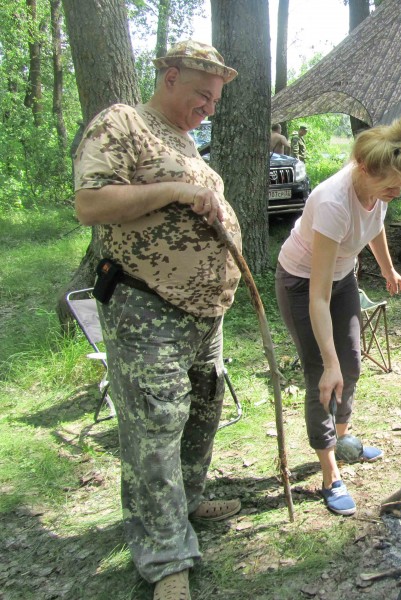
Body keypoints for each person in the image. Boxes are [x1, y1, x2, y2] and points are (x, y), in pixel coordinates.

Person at [73, 40, 241, 600]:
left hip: (203, 316)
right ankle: (165, 557)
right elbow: (90, 204)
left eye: (215, 99)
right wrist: (175, 189)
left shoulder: (186, 141)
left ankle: (186, 507)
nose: (209, 108)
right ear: (169, 77)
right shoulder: (123, 123)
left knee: (200, 416)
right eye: (202, 95)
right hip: (148, 309)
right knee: (154, 428)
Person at [275, 116, 401, 516]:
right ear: (362, 169)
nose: (396, 193)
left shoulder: (377, 191)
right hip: (302, 283)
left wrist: (389, 271)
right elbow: (316, 297)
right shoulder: (333, 202)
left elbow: (373, 227)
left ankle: (343, 439)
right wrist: (329, 362)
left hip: (341, 278)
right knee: (322, 376)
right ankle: (329, 473)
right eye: (390, 186)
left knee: (352, 365)